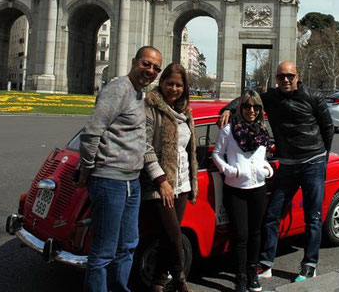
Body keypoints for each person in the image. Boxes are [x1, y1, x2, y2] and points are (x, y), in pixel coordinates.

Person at [219, 61, 334, 283]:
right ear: (276, 78)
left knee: (313, 216)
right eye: (281, 76)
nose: (286, 80)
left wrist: (323, 158)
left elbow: (328, 127)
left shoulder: (313, 96)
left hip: (313, 161)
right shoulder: (270, 97)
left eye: (290, 76)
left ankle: (310, 264)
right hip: (287, 164)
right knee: (271, 215)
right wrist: (228, 108)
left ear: (298, 76)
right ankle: (266, 263)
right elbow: (246, 100)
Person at [77, 46, 163, 292]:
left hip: (131, 180)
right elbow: (92, 132)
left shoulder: (138, 94)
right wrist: (88, 169)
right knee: (104, 251)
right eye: (146, 64)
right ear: (134, 61)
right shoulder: (119, 88)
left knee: (128, 245)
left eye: (156, 68)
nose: (151, 71)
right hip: (110, 179)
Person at [141, 63, 198, 292]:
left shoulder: (186, 112)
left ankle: (157, 281)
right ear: (162, 82)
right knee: (174, 236)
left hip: (182, 184)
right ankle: (180, 279)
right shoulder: (150, 106)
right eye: (170, 83)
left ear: (184, 88)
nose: (174, 88)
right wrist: (161, 180)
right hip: (159, 184)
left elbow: (189, 149)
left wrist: (229, 110)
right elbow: (144, 145)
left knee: (167, 236)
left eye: (179, 85)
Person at [212, 90, 273, 292]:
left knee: (256, 233)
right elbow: (217, 155)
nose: (251, 111)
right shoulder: (228, 130)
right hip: (236, 188)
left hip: (258, 188)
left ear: (260, 110)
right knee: (241, 235)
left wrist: (267, 168)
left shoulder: (262, 130)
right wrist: (229, 170)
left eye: (256, 107)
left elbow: (262, 157)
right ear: (240, 108)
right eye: (247, 106)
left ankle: (252, 273)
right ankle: (240, 277)